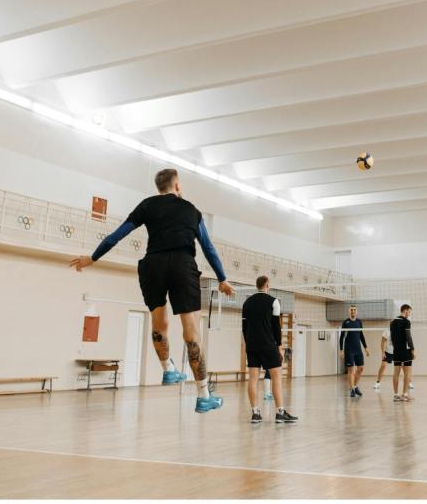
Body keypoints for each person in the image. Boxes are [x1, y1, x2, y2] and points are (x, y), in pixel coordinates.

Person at [69, 168, 234, 414]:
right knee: (191, 334)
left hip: (152, 265)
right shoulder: (191, 210)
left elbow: (117, 235)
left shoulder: (147, 205)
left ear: (159, 186)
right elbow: (208, 248)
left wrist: (92, 258)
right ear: (176, 185)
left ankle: (168, 370)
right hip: (182, 264)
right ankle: (203, 396)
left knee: (159, 322)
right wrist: (222, 278)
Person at [242, 276, 298, 423]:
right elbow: (276, 327)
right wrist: (280, 346)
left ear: (256, 285)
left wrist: (248, 345)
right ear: (267, 285)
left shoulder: (247, 303)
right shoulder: (274, 302)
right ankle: (280, 412)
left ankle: (255, 413)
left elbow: (244, 328)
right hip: (268, 345)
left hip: (252, 345)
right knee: (276, 377)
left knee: (253, 379)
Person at [339, 305, 369, 397]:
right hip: (349, 349)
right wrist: (341, 350)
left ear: (357, 312)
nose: (353, 311)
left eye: (354, 310)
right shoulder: (346, 322)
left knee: (361, 368)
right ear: (349, 312)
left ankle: (355, 386)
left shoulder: (359, 322)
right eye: (351, 310)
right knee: (351, 370)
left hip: (358, 349)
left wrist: (366, 347)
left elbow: (361, 335)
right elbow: (342, 337)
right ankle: (352, 389)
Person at [390, 304, 415, 401]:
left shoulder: (392, 322)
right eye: (409, 312)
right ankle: (405, 394)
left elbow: (392, 337)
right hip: (405, 350)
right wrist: (412, 349)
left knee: (396, 372)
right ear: (405, 310)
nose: (409, 314)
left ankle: (396, 395)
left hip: (396, 350)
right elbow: (408, 337)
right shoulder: (406, 322)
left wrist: (396, 347)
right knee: (407, 372)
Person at [373, 326, 394, 390]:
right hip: (387, 352)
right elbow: (383, 342)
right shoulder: (387, 331)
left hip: (397, 351)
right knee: (383, 366)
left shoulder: (399, 329)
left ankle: (409, 382)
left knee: (404, 366)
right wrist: (383, 352)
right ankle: (378, 382)